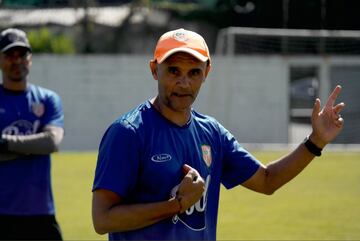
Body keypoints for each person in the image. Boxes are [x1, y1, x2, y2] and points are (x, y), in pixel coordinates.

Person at [92, 28, 345, 240]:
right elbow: (102, 219)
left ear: (207, 72)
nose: (184, 83)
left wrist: (316, 141)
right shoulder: (129, 132)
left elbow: (267, 181)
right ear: (154, 69)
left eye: (194, 73)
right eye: (173, 71)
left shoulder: (212, 133)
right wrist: (175, 205)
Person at [0, 28, 64, 240]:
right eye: (10, 55)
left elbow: (52, 142)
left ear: (30, 59)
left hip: (41, 214)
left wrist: (4, 143)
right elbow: (42, 144)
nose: (16, 60)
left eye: (22, 54)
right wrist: (33, 147)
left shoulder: (48, 99)